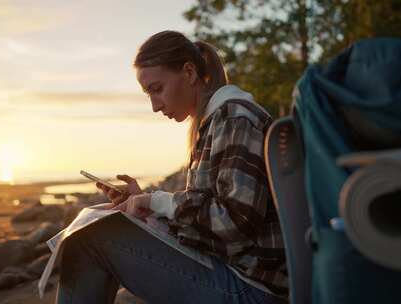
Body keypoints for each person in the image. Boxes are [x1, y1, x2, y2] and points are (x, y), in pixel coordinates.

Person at [56, 30, 288, 304]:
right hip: (235, 275)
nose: (154, 106)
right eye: (148, 94)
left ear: (189, 72)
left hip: (255, 290)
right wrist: (147, 211)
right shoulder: (213, 122)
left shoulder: (234, 116)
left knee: (89, 239)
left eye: (157, 89)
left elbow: (234, 223)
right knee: (98, 230)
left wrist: (158, 202)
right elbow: (207, 225)